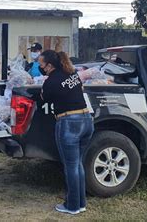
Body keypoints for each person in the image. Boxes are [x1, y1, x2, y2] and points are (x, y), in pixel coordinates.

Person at [39, 50, 94, 215]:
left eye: (41, 64)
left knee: (71, 166)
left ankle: (72, 206)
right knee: (77, 164)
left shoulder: (51, 82)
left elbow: (43, 97)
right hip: (86, 120)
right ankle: (81, 202)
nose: (40, 67)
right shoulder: (72, 74)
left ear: (49, 65)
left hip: (69, 122)